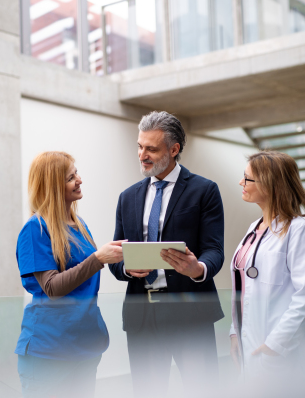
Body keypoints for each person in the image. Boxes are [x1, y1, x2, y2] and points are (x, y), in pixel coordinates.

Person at [109, 111, 225, 397]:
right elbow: (116, 255)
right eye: (139, 146)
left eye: (151, 148)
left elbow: (215, 250)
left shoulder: (205, 191)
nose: (142, 155)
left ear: (174, 150)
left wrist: (197, 268)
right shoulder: (128, 197)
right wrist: (126, 268)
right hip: (142, 314)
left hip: (191, 313)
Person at [15, 151, 124, 398]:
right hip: (49, 351)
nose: (80, 180)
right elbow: (52, 287)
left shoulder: (80, 225)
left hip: (84, 346)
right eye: (70, 177)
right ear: (53, 186)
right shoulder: (36, 230)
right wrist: (97, 258)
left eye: (77, 174)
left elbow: (85, 274)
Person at [230, 151, 305, 377]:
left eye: (247, 178)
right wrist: (235, 333)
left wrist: (275, 346)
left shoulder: (298, 231)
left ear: (270, 184)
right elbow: (243, 289)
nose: (241, 182)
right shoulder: (254, 229)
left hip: (279, 351)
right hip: (248, 344)